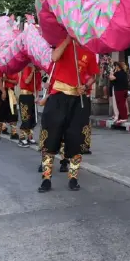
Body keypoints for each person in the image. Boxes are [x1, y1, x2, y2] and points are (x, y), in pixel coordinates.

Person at [38, 37, 96, 193]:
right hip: (58, 98)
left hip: (78, 100)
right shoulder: (63, 43)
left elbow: (93, 76)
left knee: (76, 139)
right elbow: (54, 57)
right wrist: (67, 39)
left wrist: (86, 86)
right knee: (50, 138)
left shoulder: (90, 51)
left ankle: (73, 178)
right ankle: (46, 178)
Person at [17, 65, 41, 146]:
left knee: (32, 118)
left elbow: (37, 87)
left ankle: (30, 137)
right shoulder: (27, 68)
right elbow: (27, 81)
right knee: (25, 117)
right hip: (24, 96)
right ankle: (22, 138)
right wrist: (32, 72)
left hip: (31, 96)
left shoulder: (38, 74)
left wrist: (37, 97)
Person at [110, 61, 130, 126]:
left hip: (120, 91)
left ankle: (124, 117)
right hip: (123, 90)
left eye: (116, 66)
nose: (115, 67)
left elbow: (111, 78)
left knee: (120, 104)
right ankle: (121, 117)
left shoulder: (118, 73)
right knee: (121, 104)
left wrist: (111, 72)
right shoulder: (123, 73)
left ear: (117, 66)